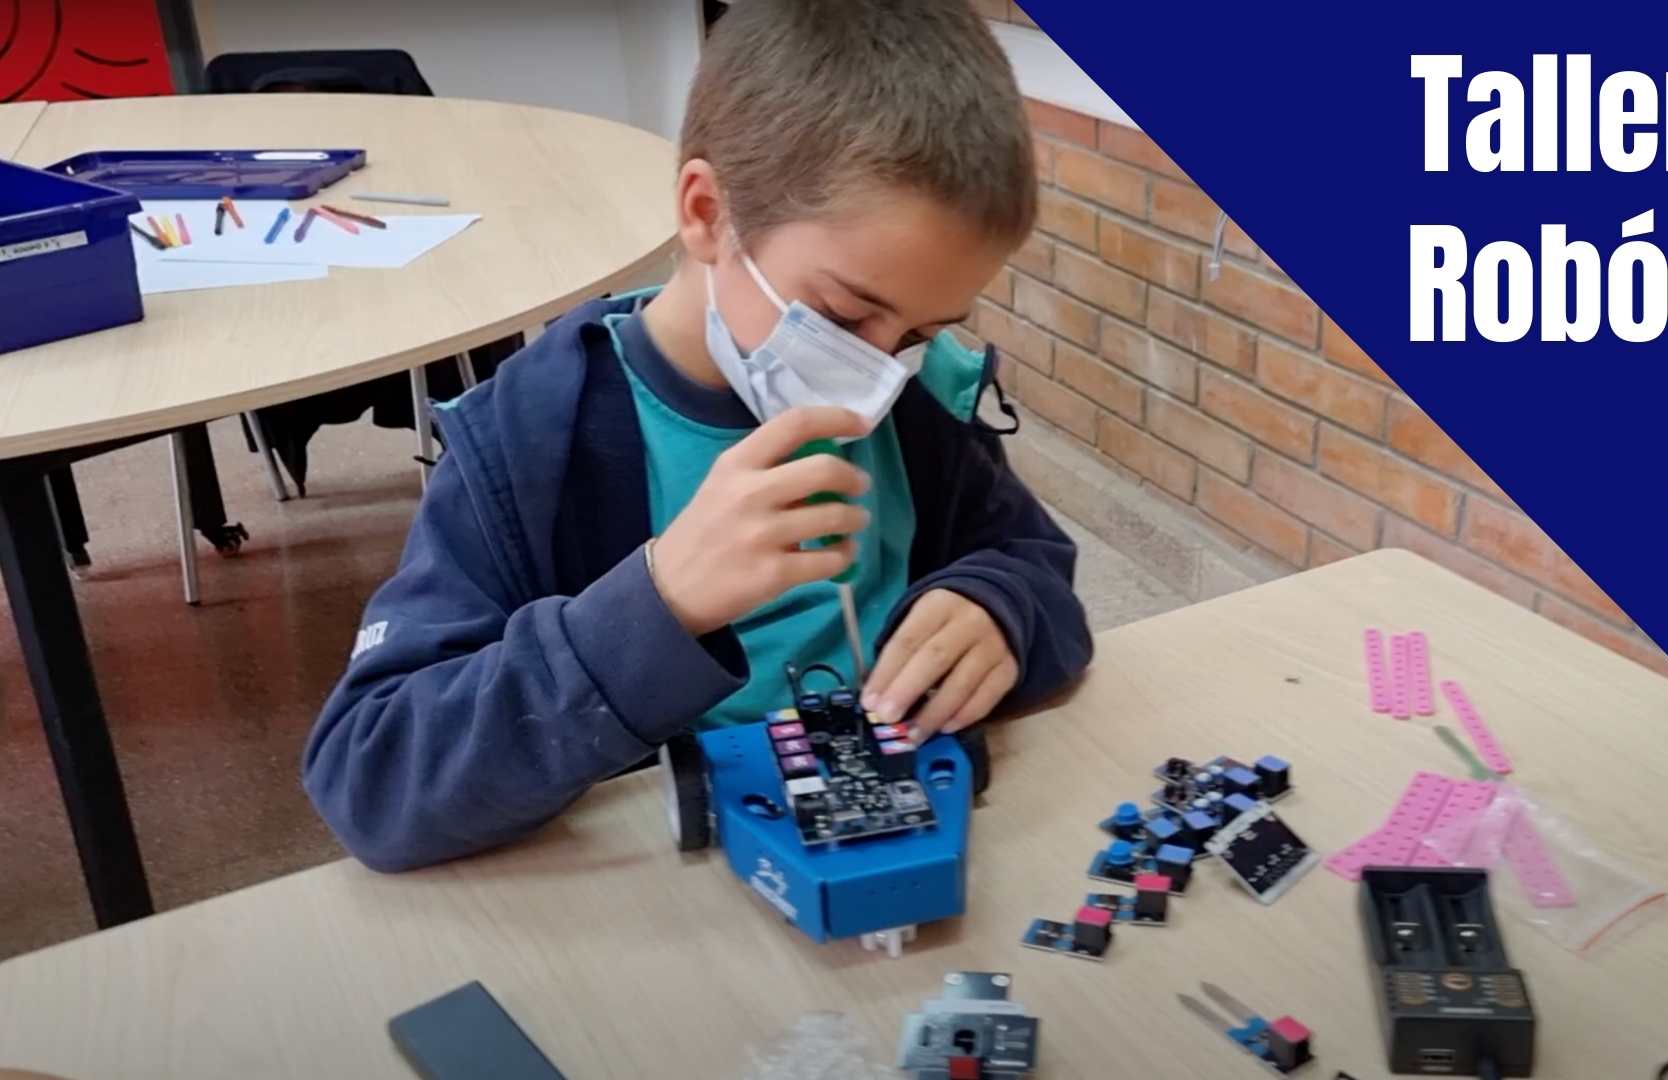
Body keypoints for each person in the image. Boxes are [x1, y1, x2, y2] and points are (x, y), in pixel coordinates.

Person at [302, 0, 1094, 871]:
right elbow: (371, 779)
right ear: (708, 211)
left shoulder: (921, 402)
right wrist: (657, 605)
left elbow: (1033, 561)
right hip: (657, 888)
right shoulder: (529, 442)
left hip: (892, 852)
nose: (874, 379)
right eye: (843, 314)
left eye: (920, 332)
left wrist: (998, 606)